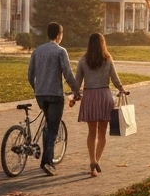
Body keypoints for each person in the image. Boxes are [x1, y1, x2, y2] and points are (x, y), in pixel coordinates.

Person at [27, 22, 80, 176]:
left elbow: (30, 75)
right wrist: (76, 90)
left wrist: (37, 89)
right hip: (55, 95)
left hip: (41, 95)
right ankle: (47, 162)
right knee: (53, 128)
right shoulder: (60, 51)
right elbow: (68, 74)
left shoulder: (37, 51)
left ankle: (46, 157)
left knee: (48, 124)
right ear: (58, 35)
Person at [70, 32, 126, 178]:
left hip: (89, 97)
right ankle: (96, 165)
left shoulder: (83, 61)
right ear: (103, 44)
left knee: (91, 133)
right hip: (104, 97)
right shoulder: (107, 60)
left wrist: (75, 96)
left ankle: (92, 160)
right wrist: (122, 89)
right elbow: (115, 79)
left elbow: (77, 83)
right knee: (102, 134)